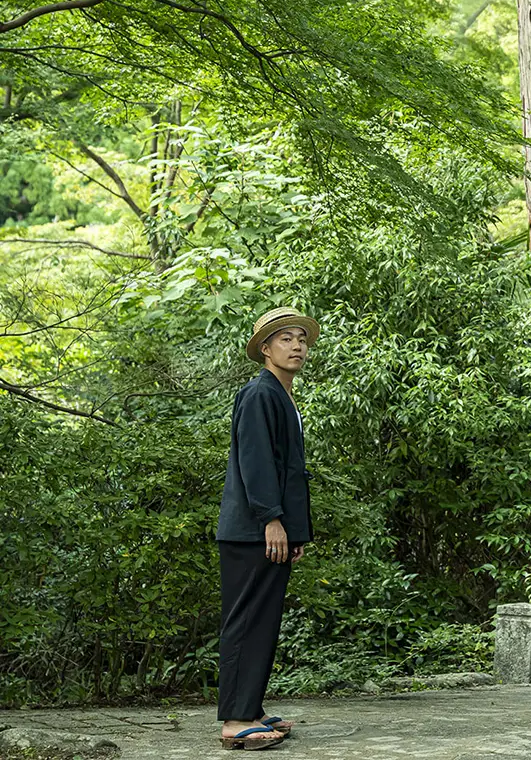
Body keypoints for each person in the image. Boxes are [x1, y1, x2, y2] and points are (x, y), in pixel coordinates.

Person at [215, 307, 319, 750]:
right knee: (246, 621)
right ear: (264, 349)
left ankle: (250, 709)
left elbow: (286, 468)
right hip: (252, 530)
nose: (297, 346)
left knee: (263, 620)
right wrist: (272, 520)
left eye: (301, 339)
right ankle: (236, 720)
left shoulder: (280, 394)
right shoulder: (260, 393)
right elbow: (255, 462)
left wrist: (293, 531)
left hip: (270, 528)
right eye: (285, 339)